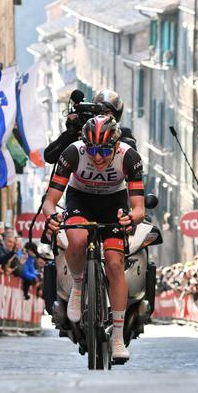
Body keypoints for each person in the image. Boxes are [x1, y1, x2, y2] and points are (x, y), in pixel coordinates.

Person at [43, 115, 145, 361]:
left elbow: (139, 208)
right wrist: (51, 217)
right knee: (77, 240)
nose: (97, 157)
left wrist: (131, 219)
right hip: (81, 200)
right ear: (84, 145)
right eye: (92, 150)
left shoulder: (129, 157)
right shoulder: (72, 153)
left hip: (114, 203)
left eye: (104, 150)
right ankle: (78, 286)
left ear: (116, 146)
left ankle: (118, 337)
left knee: (114, 263)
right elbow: (50, 202)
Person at [44, 89, 136, 164]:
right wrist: (70, 134)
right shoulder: (84, 132)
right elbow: (49, 156)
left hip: (112, 185)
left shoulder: (123, 134)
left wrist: (113, 140)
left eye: (107, 113)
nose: (102, 116)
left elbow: (132, 156)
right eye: (99, 113)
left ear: (116, 115)